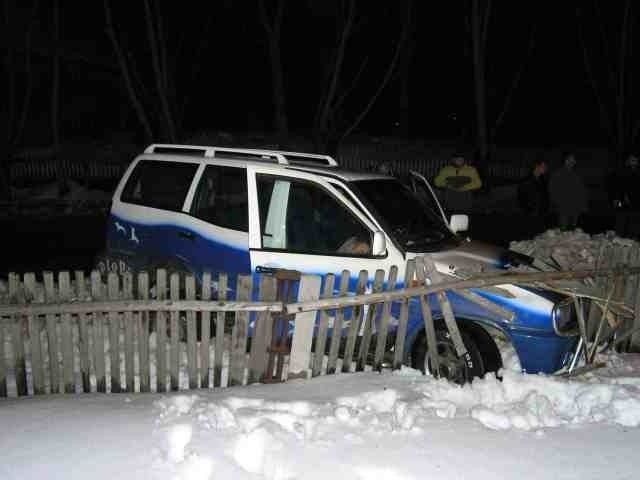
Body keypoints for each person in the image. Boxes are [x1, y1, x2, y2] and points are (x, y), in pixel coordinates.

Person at [548, 152, 588, 230]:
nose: (574, 162)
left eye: (574, 160)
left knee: (574, 232)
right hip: (563, 210)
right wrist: (558, 204)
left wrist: (583, 206)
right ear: (566, 160)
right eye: (572, 160)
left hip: (575, 209)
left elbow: (582, 191)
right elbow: (552, 190)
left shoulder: (576, 175)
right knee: (563, 232)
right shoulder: (558, 174)